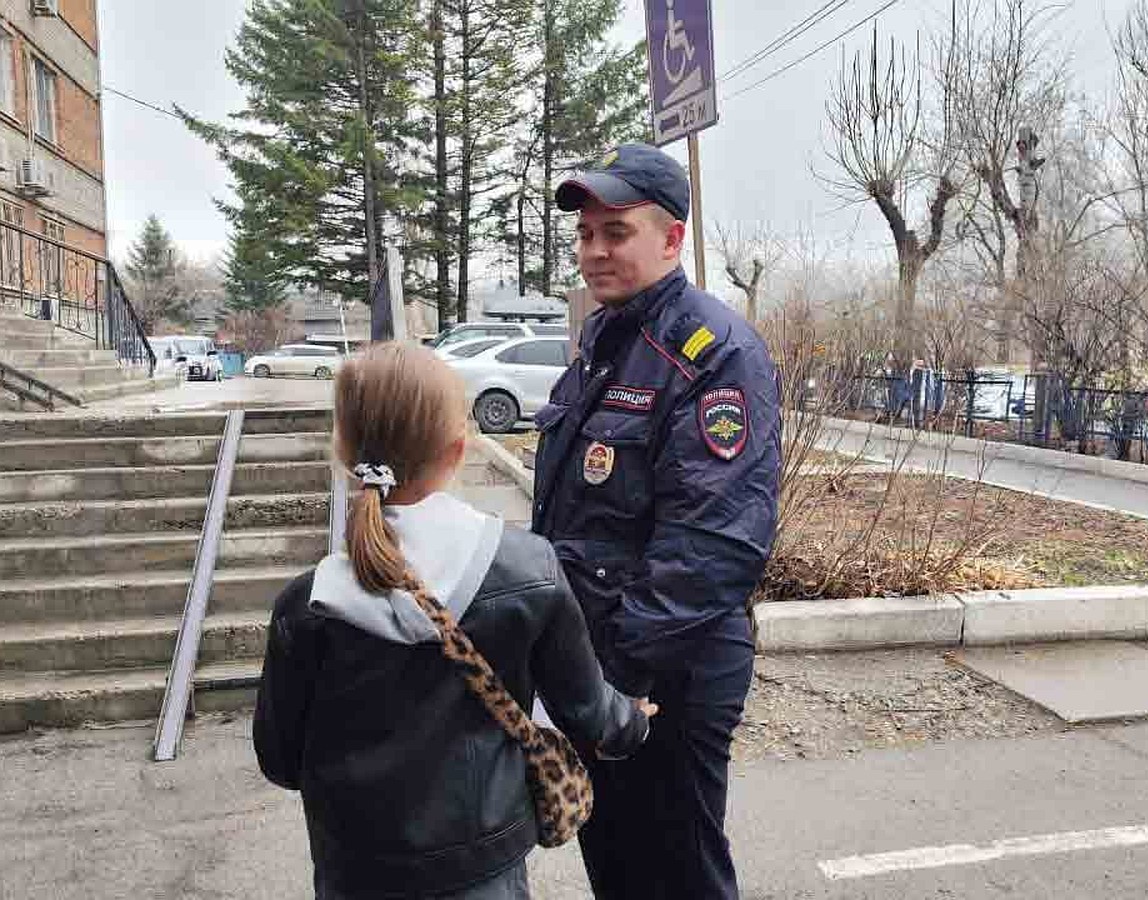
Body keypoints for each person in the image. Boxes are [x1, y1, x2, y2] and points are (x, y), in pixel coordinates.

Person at [253, 342, 655, 900]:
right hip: (483, 865)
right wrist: (631, 720)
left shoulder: (307, 607)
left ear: (343, 450)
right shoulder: (529, 568)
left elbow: (279, 757)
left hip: (355, 868)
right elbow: (587, 708)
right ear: (458, 449)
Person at [532, 143, 782, 900]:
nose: (595, 250)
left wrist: (621, 680)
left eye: (616, 232)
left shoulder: (712, 352)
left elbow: (711, 542)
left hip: (668, 671)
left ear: (672, 239)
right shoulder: (607, 342)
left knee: (679, 870)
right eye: (585, 235)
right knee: (618, 863)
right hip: (604, 660)